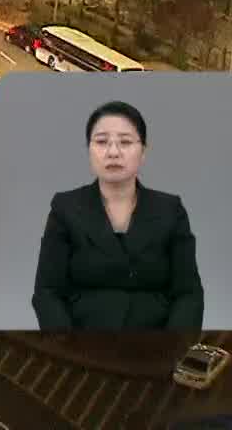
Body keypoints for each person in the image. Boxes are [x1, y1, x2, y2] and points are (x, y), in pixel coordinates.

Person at [31, 100, 203, 331]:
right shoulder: (65, 208)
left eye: (125, 142)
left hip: (154, 347)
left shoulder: (171, 210)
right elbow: (47, 292)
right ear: (88, 150)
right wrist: (67, 345)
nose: (113, 152)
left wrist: (171, 348)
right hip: (82, 347)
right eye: (102, 142)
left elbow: (188, 294)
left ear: (143, 152)